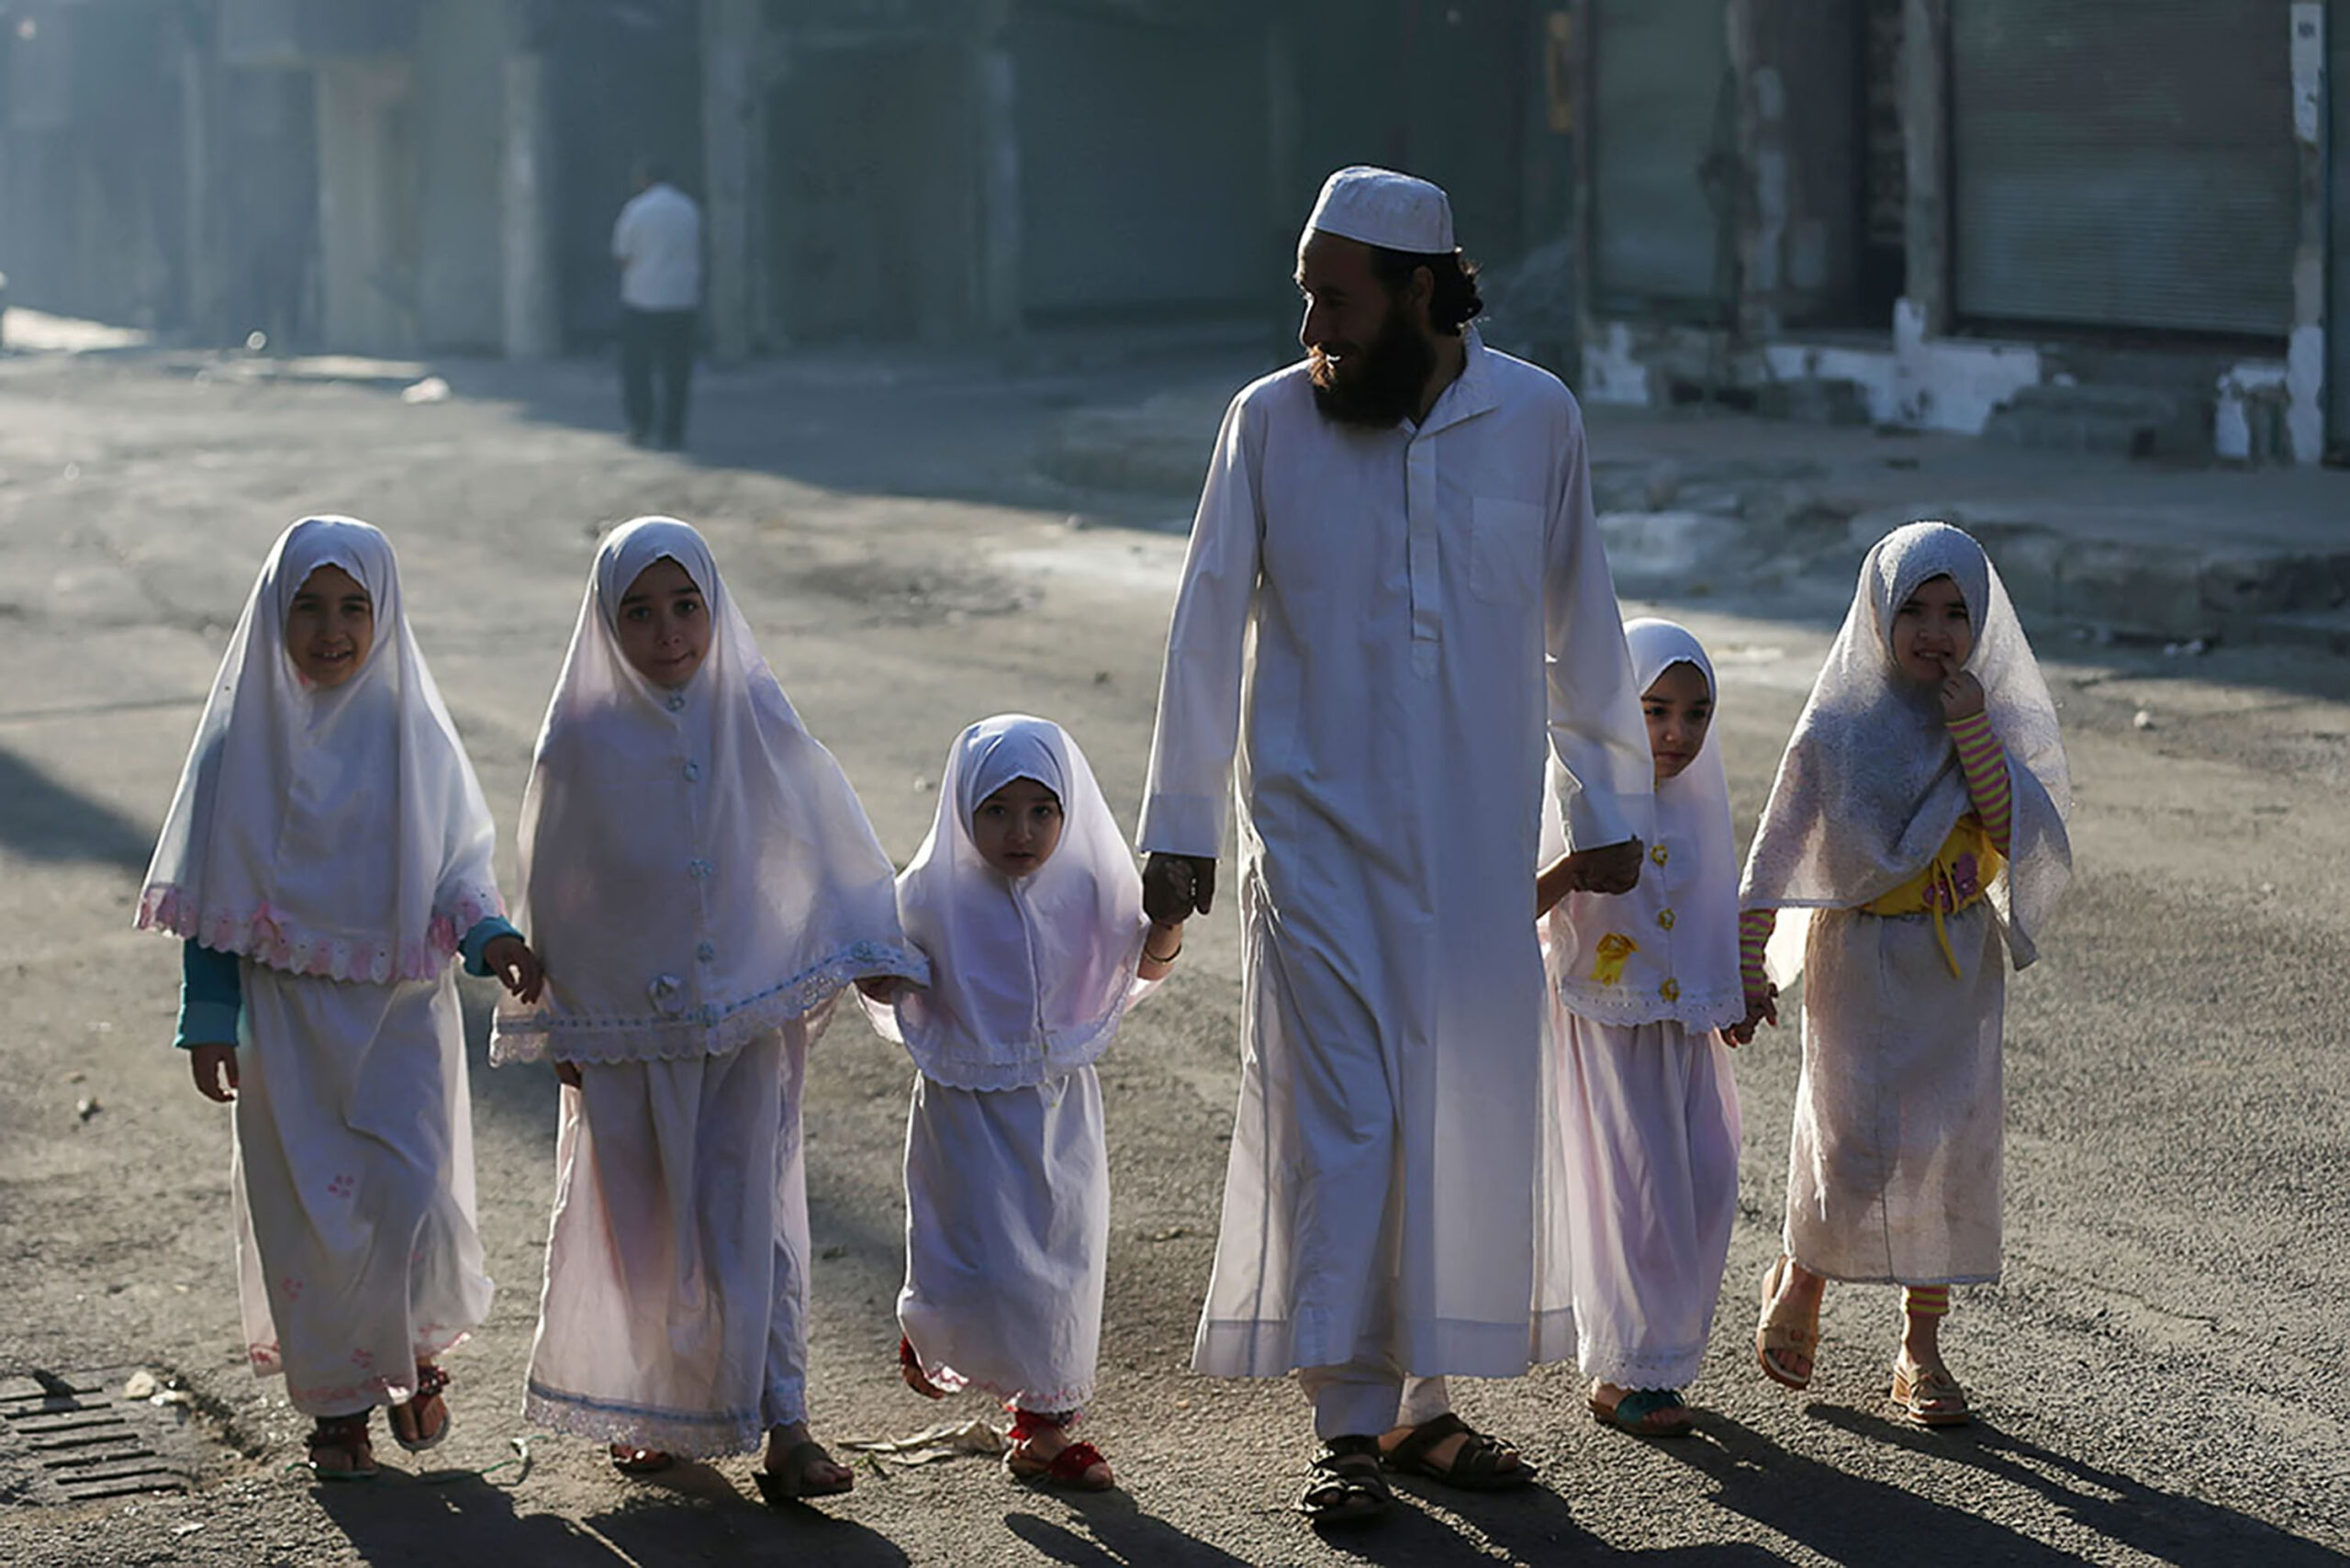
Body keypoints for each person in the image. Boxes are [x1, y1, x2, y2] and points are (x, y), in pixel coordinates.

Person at [1136, 165, 1654, 1528]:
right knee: (1348, 1125)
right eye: (1308, 291)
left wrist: (1608, 807)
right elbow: (1202, 627)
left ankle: (1426, 1409)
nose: (1315, 318)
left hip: (1478, 855)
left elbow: (1581, 617)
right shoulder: (1269, 423)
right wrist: (1180, 829)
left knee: (1460, 1120)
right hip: (1313, 851)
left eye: (1338, 294)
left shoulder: (1533, 416)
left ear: (1422, 290)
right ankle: (1349, 1425)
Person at [490, 517, 926, 1502]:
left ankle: (786, 1422)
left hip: (745, 1023)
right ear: (606, 625)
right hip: (629, 1037)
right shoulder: (582, 741)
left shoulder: (754, 712)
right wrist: (565, 1017)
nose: (669, 632)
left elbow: (818, 828)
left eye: (687, 605)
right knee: (644, 1232)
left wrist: (858, 944)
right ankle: (649, 1410)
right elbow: (555, 882)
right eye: (638, 613)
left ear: (716, 608)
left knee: (757, 1218)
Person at [138, 516, 542, 1481]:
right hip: (283, 1022)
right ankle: (337, 1405)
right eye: (308, 608)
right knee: (312, 1216)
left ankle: (413, 1352)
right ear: (274, 616)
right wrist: (208, 1016)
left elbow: (456, 871)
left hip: (399, 1012)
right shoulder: (239, 742)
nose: (330, 629)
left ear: (385, 613)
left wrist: (492, 938)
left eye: (353, 607)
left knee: (407, 1191)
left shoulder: (412, 734)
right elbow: (212, 891)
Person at [1741, 521, 2072, 1427]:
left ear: (1983, 622)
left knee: (1941, 1149)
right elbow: (1776, 851)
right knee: (1850, 1141)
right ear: (1876, 615)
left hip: (1952, 961)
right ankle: (1803, 1275)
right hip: (1855, 958)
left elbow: (2013, 833)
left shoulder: (1990, 718)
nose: (1934, 630)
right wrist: (1747, 957)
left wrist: (1970, 727)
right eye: (1913, 609)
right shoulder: (1838, 725)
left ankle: (1918, 1348)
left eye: (1955, 611)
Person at [864, 715, 1182, 1493]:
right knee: (973, 1248)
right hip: (963, 1110)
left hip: (1058, 1112)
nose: (1022, 831)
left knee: (1060, 1259)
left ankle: (1044, 1428)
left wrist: (1168, 918)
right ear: (964, 811)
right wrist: (870, 957)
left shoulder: (1090, 890)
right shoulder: (929, 896)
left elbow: (1139, 967)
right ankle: (938, 1326)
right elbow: (886, 983)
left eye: (1042, 811)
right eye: (998, 811)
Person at [1534, 618, 1743, 1439]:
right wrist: (1574, 870)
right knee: (1635, 1198)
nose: (1676, 733)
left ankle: (1666, 1353)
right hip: (1604, 1032)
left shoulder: (1699, 806)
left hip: (1681, 1035)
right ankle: (1622, 1369)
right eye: (1654, 710)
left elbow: (1714, 912)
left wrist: (1732, 990)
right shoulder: (1572, 795)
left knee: (1708, 1177)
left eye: (1697, 714)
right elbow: (1508, 904)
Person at [611, 159, 702, 450]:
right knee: (677, 370)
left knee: (638, 368)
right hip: (681, 300)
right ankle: (673, 433)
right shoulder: (689, 209)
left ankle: (640, 427)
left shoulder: (636, 210)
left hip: (642, 299)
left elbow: (623, 256)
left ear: (644, 179)